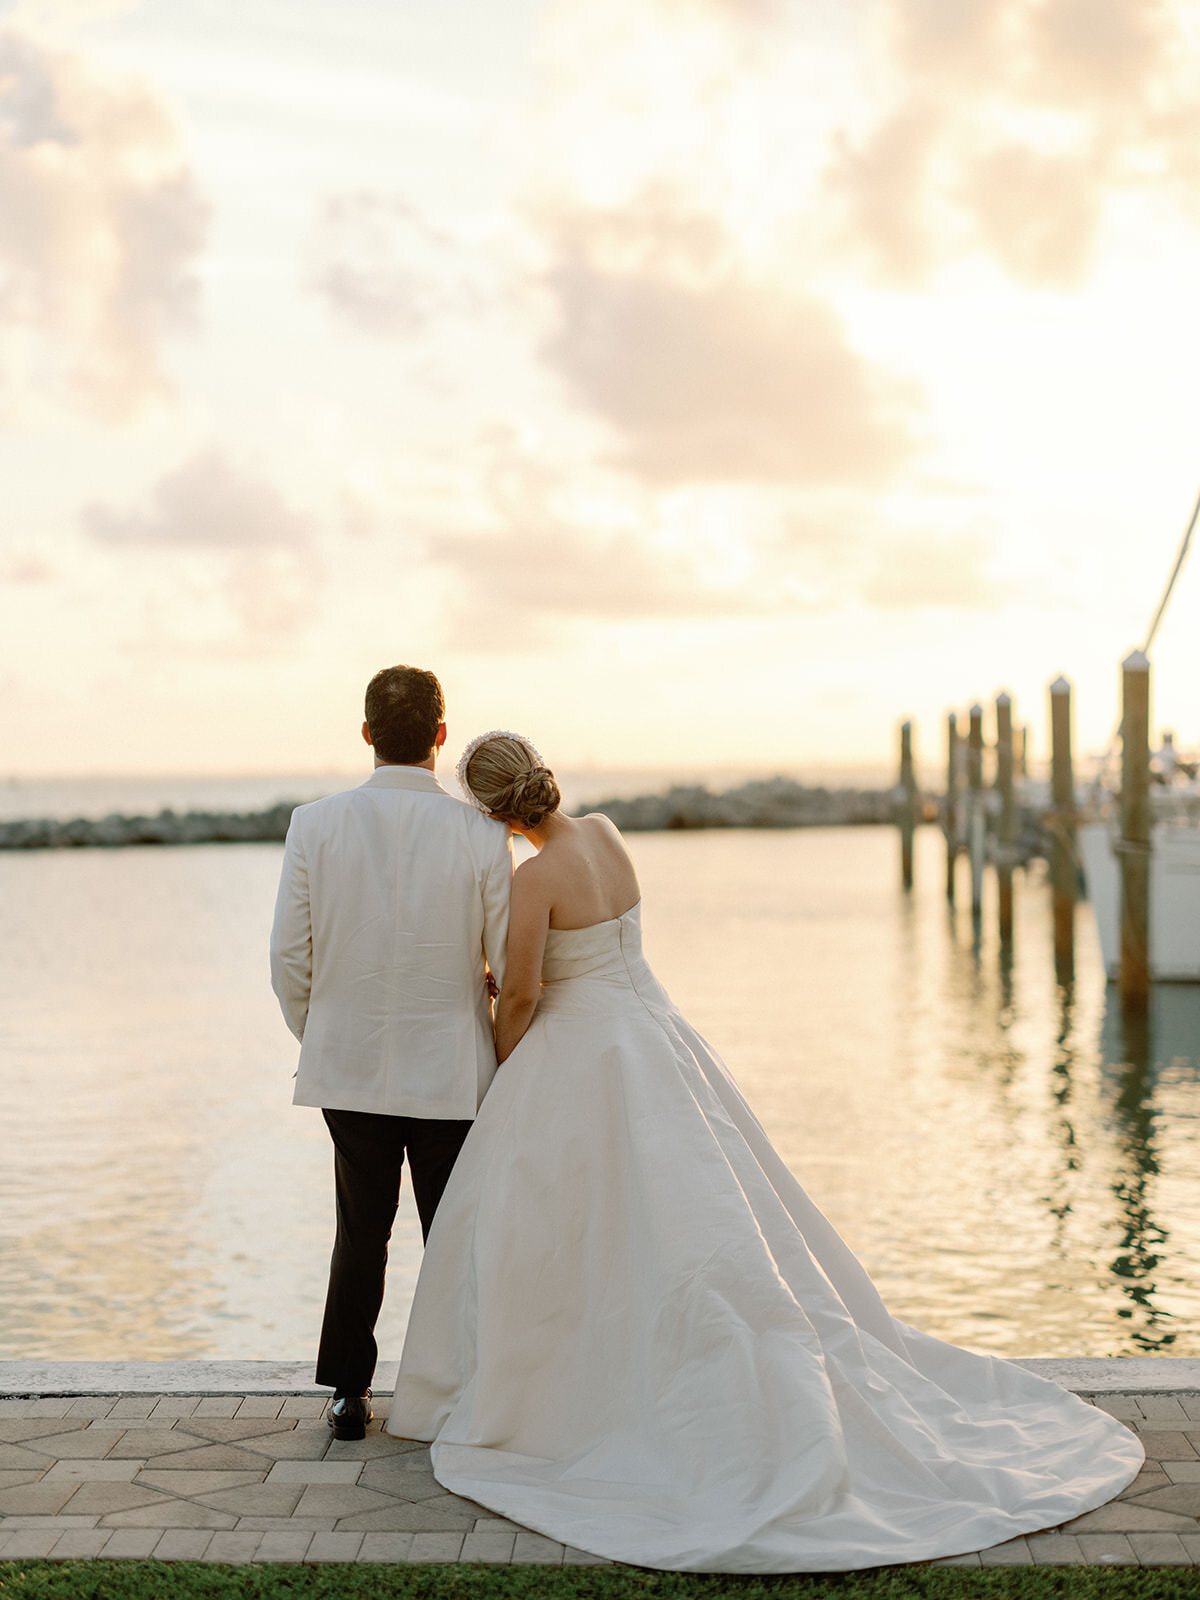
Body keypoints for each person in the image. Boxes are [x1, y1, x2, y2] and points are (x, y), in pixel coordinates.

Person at [385, 730, 1143, 1573]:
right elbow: (608, 941)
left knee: (580, 1227)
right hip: (654, 1033)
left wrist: (498, 1054)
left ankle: (564, 1391)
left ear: (492, 812)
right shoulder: (606, 834)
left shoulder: (532, 882)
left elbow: (524, 991)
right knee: (696, 1212)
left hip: (585, 1053)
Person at [269, 669, 512, 1441]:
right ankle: (461, 1390)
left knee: (360, 1230)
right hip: (452, 1071)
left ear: (368, 732)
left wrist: (326, 1034)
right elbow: (503, 961)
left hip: (349, 1066)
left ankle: (348, 1394)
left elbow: (287, 960)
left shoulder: (315, 824)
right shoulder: (481, 833)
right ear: (442, 737)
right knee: (453, 1236)